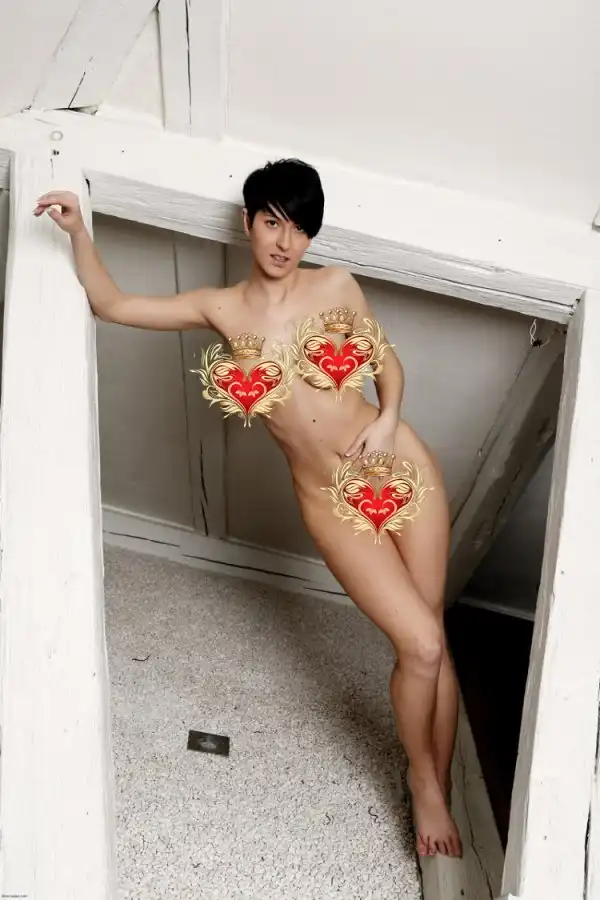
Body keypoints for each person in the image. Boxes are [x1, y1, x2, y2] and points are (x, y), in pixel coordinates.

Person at [34, 159, 462, 858]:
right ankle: (424, 782)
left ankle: (439, 784)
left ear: (310, 237)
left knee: (433, 633)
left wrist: (388, 419)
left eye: (298, 229)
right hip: (329, 499)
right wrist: (79, 231)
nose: (284, 242)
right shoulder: (222, 308)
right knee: (419, 645)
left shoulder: (336, 286)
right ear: (248, 223)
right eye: (271, 222)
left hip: (396, 463)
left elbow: (385, 363)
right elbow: (115, 305)